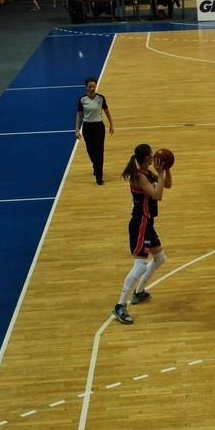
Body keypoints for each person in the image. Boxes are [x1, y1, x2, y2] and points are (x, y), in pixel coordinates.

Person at [111, 144, 172, 325]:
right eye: (152, 154)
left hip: (148, 222)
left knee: (160, 258)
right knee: (140, 266)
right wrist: (160, 174)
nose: (154, 156)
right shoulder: (139, 175)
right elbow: (157, 195)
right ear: (146, 158)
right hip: (140, 222)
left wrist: (166, 170)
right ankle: (120, 305)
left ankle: (139, 291)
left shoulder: (146, 172)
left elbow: (167, 185)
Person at [75, 77, 115, 185]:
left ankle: (99, 176)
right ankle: (96, 165)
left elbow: (107, 111)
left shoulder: (101, 98)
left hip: (99, 127)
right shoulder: (82, 99)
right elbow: (79, 115)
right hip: (87, 127)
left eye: (94, 86)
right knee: (90, 150)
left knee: (99, 151)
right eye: (90, 86)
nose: (92, 88)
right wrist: (77, 130)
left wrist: (111, 124)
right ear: (86, 87)